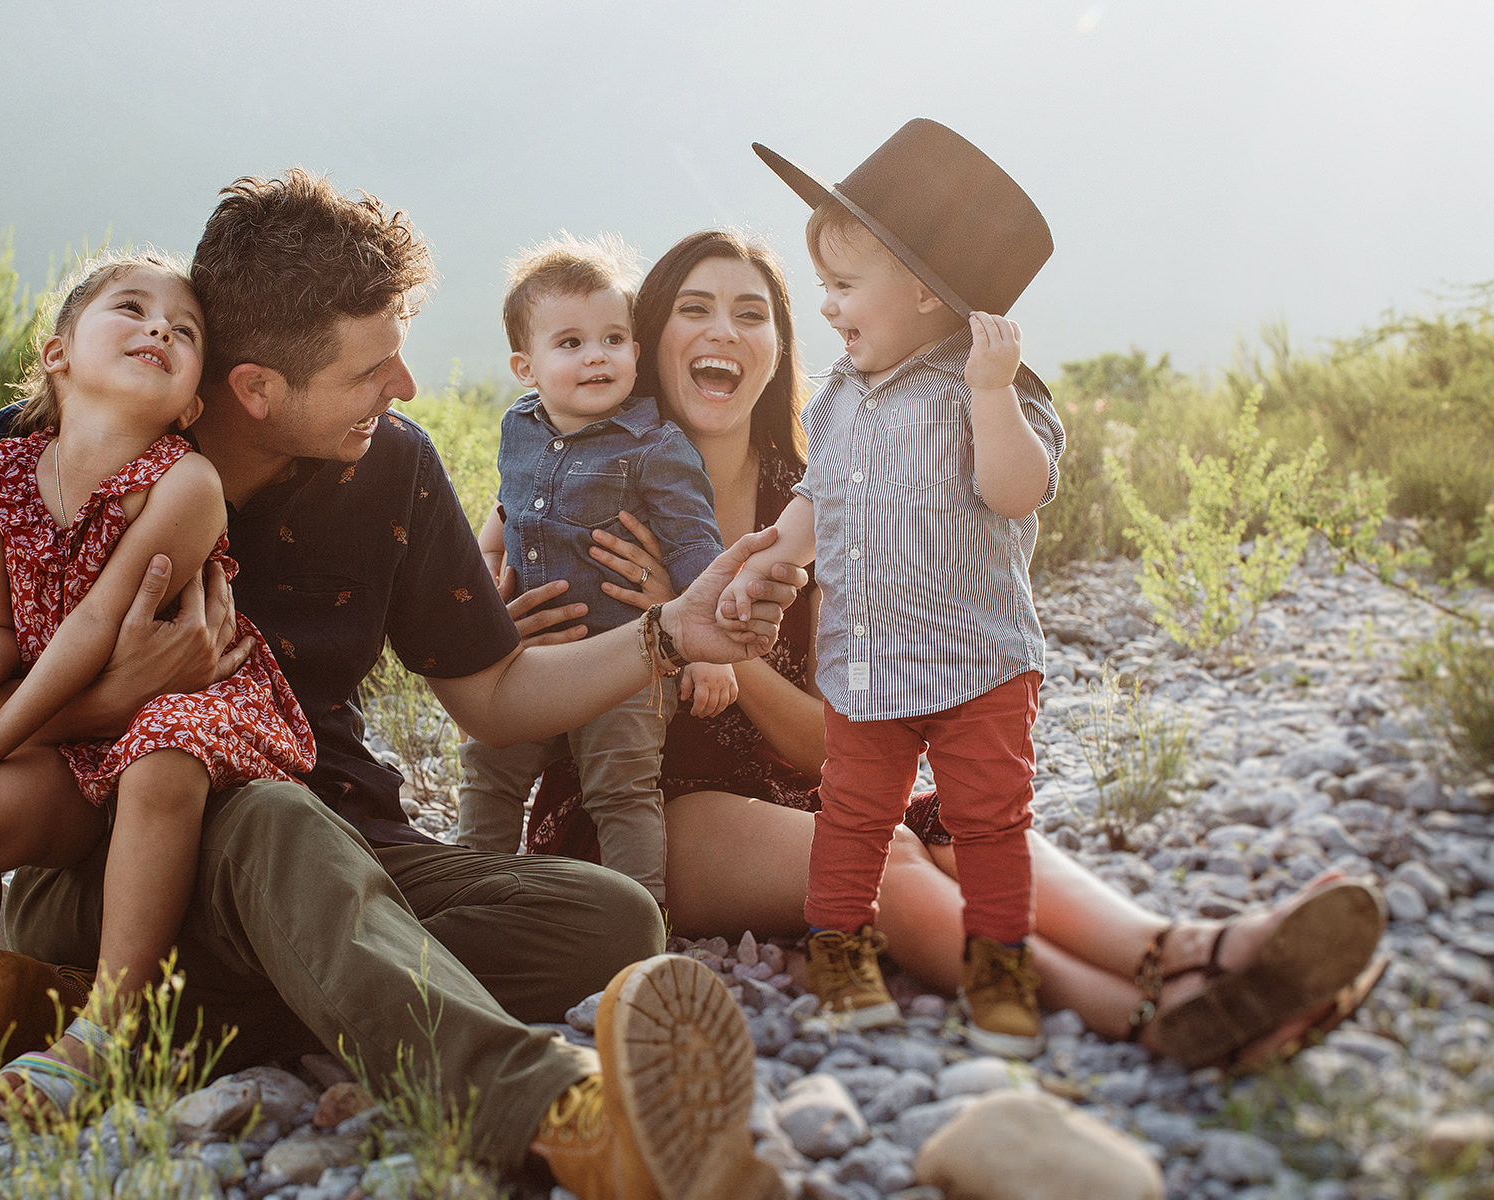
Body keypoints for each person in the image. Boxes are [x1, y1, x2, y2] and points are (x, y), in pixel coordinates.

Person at [0, 170, 795, 1199]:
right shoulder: (54, 443)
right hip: (113, 851)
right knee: (270, 820)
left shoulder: (390, 463)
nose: (404, 387)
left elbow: (495, 692)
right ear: (259, 388)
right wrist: (115, 693)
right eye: (371, 370)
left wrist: (667, 634)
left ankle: (70, 1015)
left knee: (612, 918)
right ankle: (560, 1111)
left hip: (350, 841)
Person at [523, 226, 1388, 1073]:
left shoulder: (824, 494)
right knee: (883, 857)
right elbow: (528, 688)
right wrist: (668, 633)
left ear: (781, 347)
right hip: (640, 806)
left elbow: (829, 740)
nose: (724, 332)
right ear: (648, 340)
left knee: (949, 821)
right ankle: (1148, 1015)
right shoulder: (592, 493)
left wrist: (726, 647)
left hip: (789, 781)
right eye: (694, 309)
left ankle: (1201, 949)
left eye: (752, 314)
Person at [0, 251, 319, 1119]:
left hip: (185, 702)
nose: (159, 328)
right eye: (131, 308)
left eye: (183, 331)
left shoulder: (186, 484)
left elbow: (88, 633)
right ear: (57, 354)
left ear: (193, 403)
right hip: (79, 728)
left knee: (158, 757)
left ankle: (111, 1028)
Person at [715, 122, 1063, 1053]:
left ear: (920, 290)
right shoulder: (838, 395)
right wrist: (772, 556)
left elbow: (1014, 492)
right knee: (854, 814)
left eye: (840, 287)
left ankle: (998, 969)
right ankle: (841, 951)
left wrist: (991, 393)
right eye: (823, 286)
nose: (824, 307)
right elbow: (818, 502)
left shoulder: (990, 389)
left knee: (988, 823)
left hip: (980, 663)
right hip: (865, 666)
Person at [457, 235, 732, 908]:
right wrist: (490, 574)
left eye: (613, 338)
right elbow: (507, 511)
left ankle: (639, 921)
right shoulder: (519, 427)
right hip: (533, 662)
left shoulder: (655, 448)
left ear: (636, 354)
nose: (597, 356)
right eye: (571, 343)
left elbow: (696, 542)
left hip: (626, 663)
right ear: (527, 366)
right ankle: (472, 898)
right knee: (488, 766)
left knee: (622, 790)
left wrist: (708, 649)